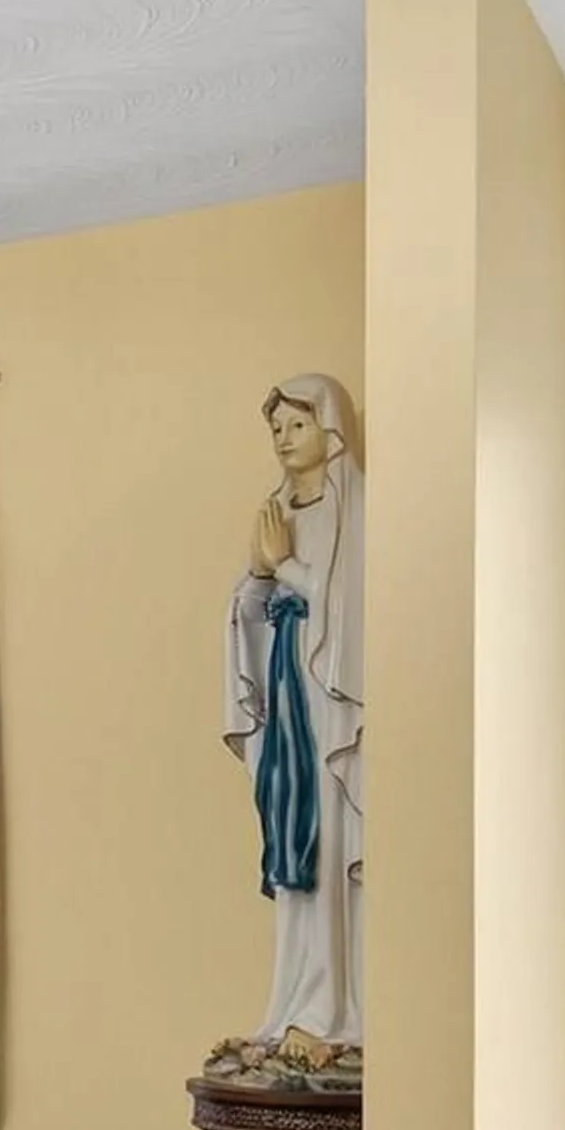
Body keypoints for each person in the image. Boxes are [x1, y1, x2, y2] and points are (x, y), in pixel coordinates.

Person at [221, 373, 364, 1056]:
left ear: (329, 428)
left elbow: (352, 613)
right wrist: (258, 572)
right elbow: (251, 615)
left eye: (296, 425)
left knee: (329, 848)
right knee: (290, 850)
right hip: (286, 707)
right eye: (275, 428)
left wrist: (289, 569)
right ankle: (287, 1006)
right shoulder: (276, 513)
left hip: (329, 714)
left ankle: (334, 1010)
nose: (283, 439)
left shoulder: (355, 510)